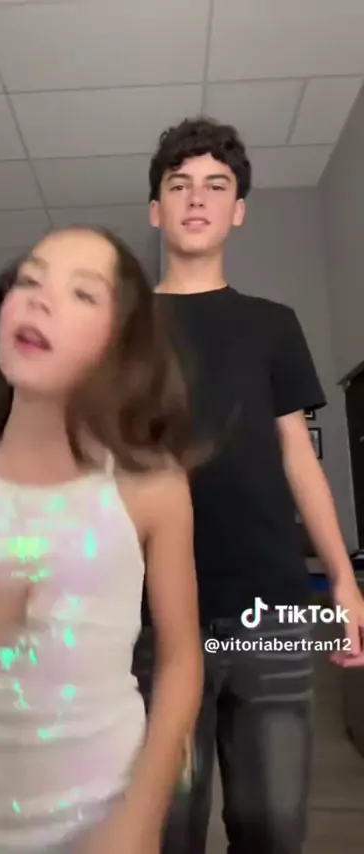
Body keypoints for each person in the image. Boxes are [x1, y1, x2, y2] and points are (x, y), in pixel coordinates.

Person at [0, 227, 203, 854]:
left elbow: (181, 661)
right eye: (29, 280)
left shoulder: (153, 490)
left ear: (118, 346)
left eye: (82, 293)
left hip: (101, 823)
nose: (40, 299)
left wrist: (141, 818)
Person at [138, 117, 364, 854]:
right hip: (154, 613)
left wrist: (343, 581)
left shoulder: (273, 325)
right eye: (179, 185)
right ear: (156, 210)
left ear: (238, 210)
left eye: (216, 186)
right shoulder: (121, 331)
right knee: (166, 829)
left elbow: (298, 457)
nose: (196, 198)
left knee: (273, 830)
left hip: (273, 608)